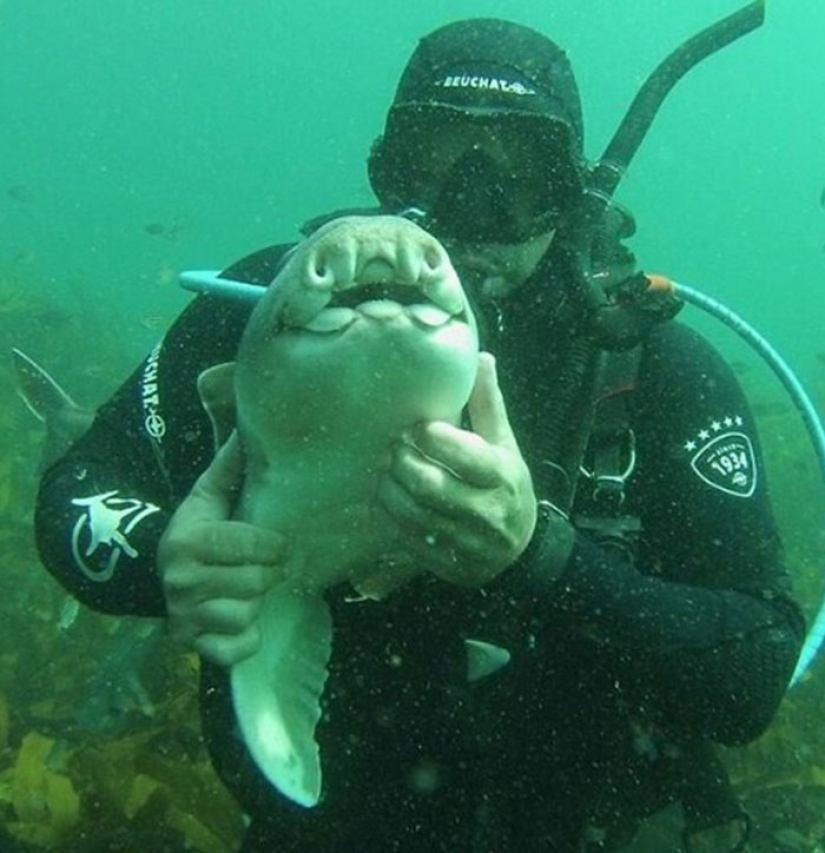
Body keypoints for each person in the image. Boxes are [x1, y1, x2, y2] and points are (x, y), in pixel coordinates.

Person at [35, 17, 804, 853]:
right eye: (436, 161)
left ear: (572, 191)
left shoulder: (653, 371)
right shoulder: (259, 311)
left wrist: (544, 558)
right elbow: (78, 488)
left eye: (522, 174)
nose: (474, 207)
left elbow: (752, 676)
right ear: (384, 169)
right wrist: (165, 557)